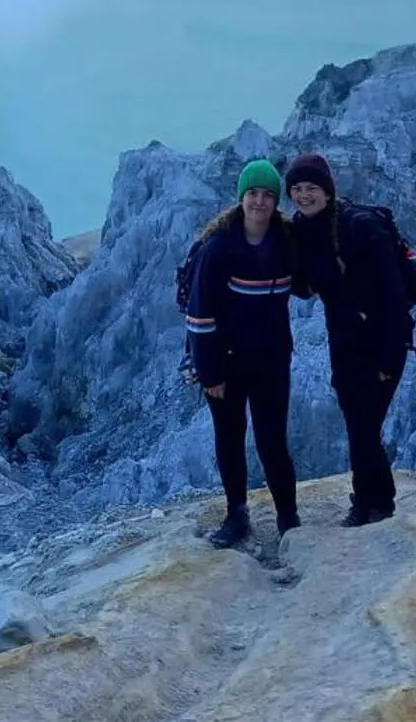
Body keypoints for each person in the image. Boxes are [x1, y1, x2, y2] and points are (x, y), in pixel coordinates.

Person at [284, 152, 413, 526]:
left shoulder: (361, 227)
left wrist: (389, 359)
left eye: (311, 187)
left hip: (379, 342)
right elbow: (306, 287)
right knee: (359, 423)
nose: (304, 195)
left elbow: (394, 297)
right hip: (343, 343)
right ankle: (372, 501)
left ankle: (374, 504)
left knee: (364, 423)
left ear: (327, 190)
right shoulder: (304, 230)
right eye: (297, 188)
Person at [185, 158, 300, 548]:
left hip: (271, 362)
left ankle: (289, 517)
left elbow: (310, 281)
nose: (260, 202)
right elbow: (200, 316)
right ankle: (236, 516)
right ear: (241, 197)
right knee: (230, 440)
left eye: (268, 195)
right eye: (253, 193)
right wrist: (210, 372)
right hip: (227, 364)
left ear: (276, 201)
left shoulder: (287, 243)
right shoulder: (218, 249)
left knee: (273, 442)